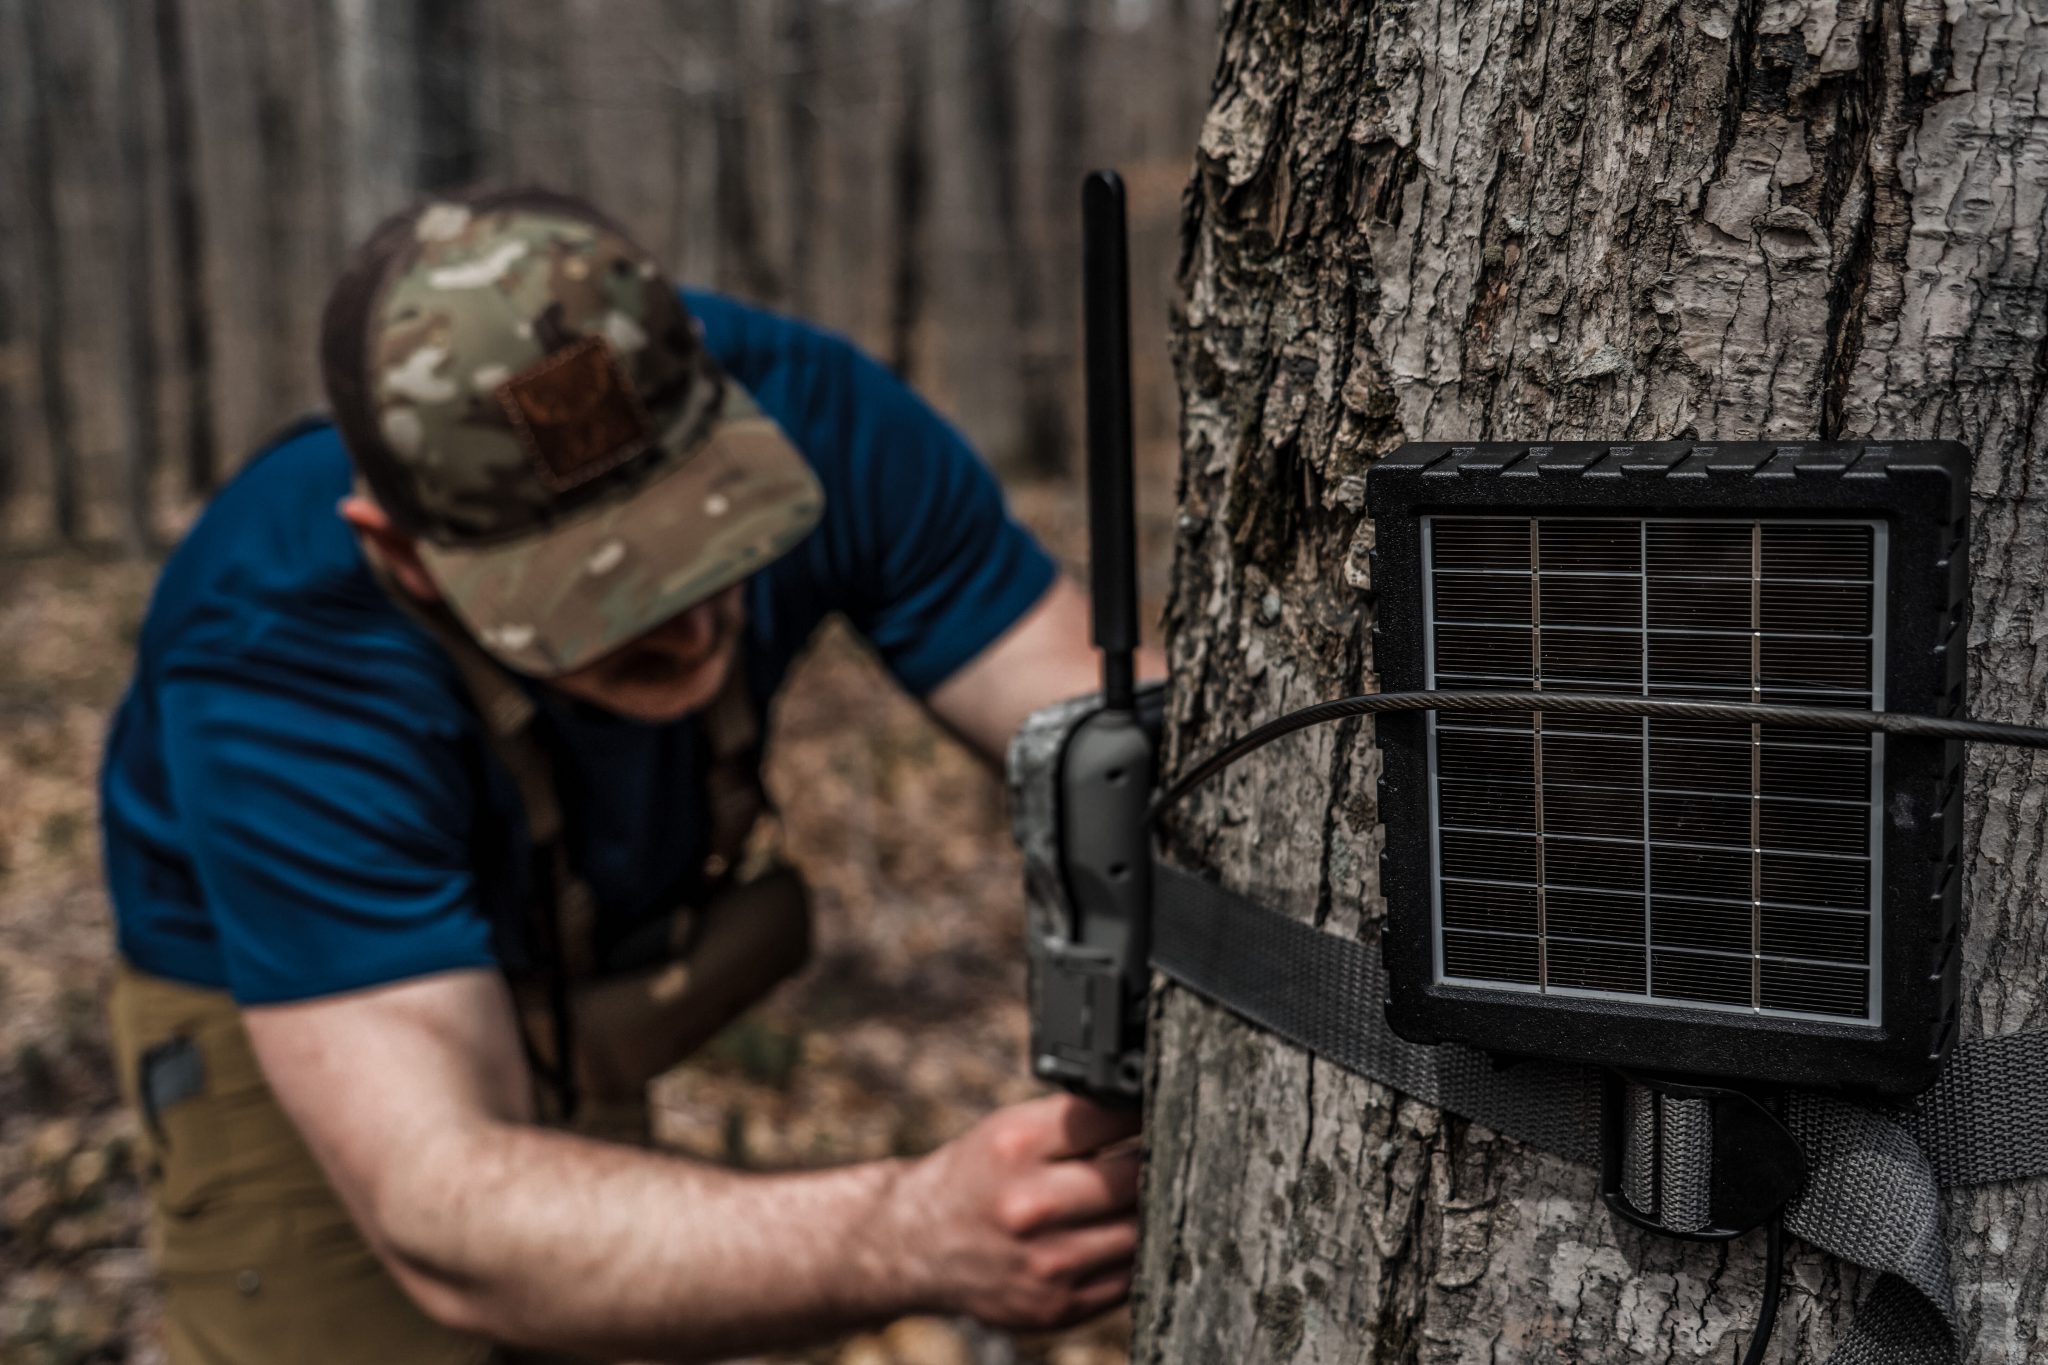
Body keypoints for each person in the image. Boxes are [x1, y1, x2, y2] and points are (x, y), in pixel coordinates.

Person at [99, 186, 1150, 1365]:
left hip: (576, 950)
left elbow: (1118, 734)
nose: (690, 625)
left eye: (709, 532)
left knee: (595, 1294)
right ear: (406, 554)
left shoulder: (815, 408)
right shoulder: (277, 638)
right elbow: (441, 1200)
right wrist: (907, 1236)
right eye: (593, 595)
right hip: (303, 998)